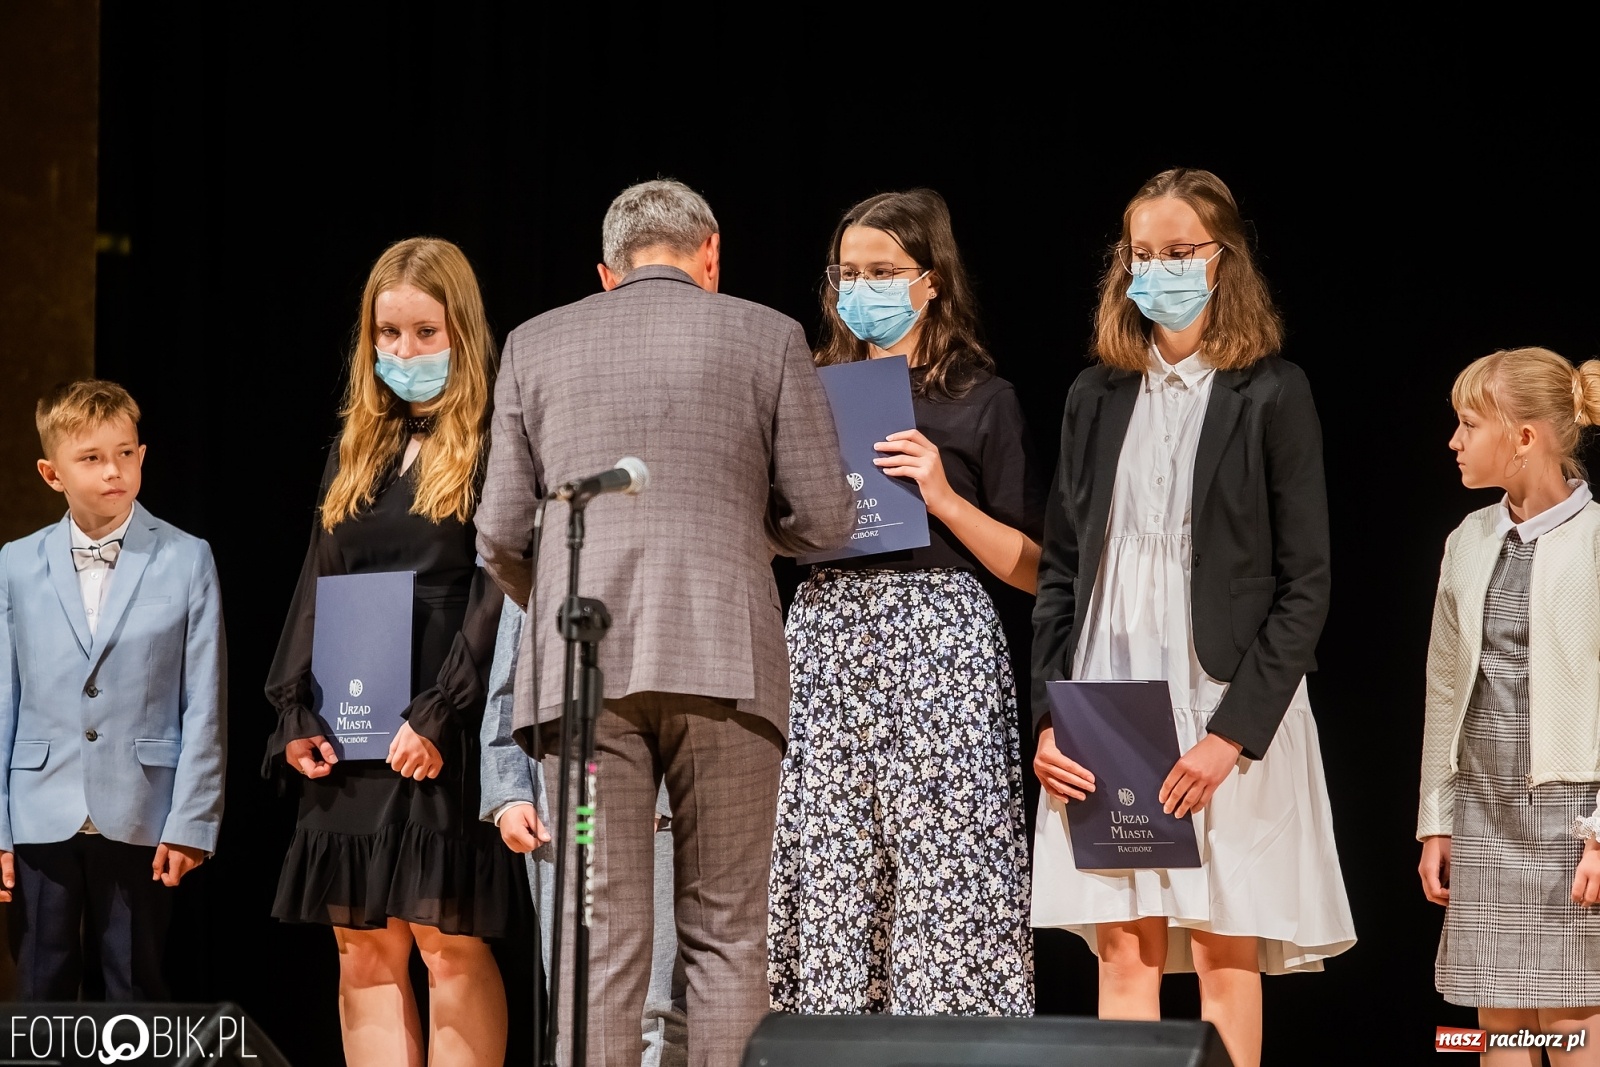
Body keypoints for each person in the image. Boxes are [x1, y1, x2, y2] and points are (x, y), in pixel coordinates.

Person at [475, 178, 853, 1067]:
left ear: (607, 272)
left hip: (582, 685)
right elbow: (827, 518)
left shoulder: (535, 342)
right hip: (726, 667)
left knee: (598, 934)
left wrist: (564, 591)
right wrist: (735, 536)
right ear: (710, 252)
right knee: (725, 930)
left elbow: (496, 533)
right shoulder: (770, 335)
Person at [1030, 168, 1356, 1067]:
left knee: (1221, 946)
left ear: (1223, 262)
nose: (1160, 268)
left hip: (1224, 699)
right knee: (1125, 948)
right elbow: (1062, 570)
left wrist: (1232, 734)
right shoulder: (1094, 395)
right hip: (1109, 695)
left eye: (1180, 252)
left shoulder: (1273, 392)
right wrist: (1051, 716)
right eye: (1144, 254)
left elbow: (1307, 585)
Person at [767, 188, 1039, 1016]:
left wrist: (943, 494)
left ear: (931, 282)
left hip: (939, 644)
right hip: (827, 637)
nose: (862, 289)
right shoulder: (809, 391)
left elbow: (1034, 566)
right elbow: (779, 534)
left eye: (883, 271)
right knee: (834, 858)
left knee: (942, 862)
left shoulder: (981, 398)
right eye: (848, 272)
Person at [263, 237, 525, 1067]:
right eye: (388, 334)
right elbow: (317, 581)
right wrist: (294, 708)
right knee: (360, 946)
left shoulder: (490, 443)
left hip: (434, 728)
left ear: (463, 334)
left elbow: (498, 590)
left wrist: (441, 710)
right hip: (349, 728)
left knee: (446, 943)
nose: (403, 353)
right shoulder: (359, 450)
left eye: (424, 333)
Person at [0, 379, 225, 999]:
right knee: (39, 988)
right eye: (92, 458)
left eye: (125, 453)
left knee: (136, 988)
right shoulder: (16, 564)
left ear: (143, 456)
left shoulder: (186, 557)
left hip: (143, 810)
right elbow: (3, 700)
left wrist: (192, 822)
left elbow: (205, 702)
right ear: (52, 473)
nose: (113, 471)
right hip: (39, 811)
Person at [1418, 346, 1600, 1064]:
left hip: (1574, 818)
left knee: (1572, 1025)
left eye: (1469, 423)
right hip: (1487, 809)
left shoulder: (1595, 540)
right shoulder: (1468, 538)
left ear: (1525, 436)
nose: (1455, 441)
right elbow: (1442, 687)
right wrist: (1437, 818)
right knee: (1500, 1030)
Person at [480, 599, 687, 1067]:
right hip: (558, 807)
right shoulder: (546, 540)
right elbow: (509, 684)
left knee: (656, 1005)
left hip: (653, 808)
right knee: (575, 995)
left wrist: (653, 795)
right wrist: (507, 794)